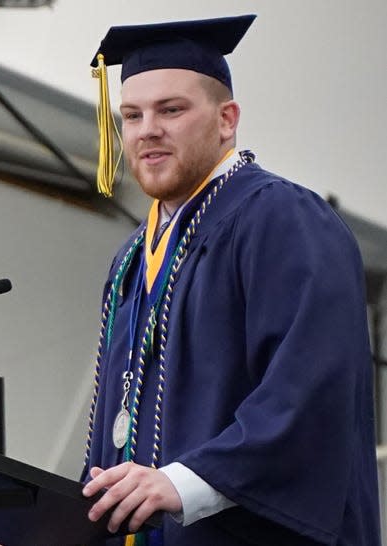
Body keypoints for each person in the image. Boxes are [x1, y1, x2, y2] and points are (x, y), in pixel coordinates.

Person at [81, 15, 381, 546]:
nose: (148, 128)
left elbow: (309, 395)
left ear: (226, 119)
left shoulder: (282, 219)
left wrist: (181, 483)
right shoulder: (131, 257)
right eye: (131, 115)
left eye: (171, 110)